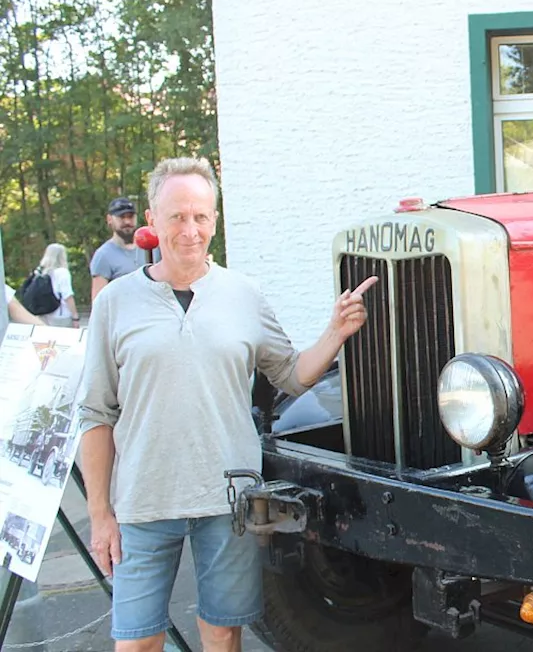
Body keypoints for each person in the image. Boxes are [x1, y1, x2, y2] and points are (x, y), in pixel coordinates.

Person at [75, 156, 379, 652]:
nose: (189, 229)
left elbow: (291, 375)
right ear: (152, 220)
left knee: (222, 634)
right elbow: (95, 414)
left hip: (229, 500)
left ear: (214, 220)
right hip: (143, 502)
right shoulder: (115, 303)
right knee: (136, 642)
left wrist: (335, 331)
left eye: (200, 216)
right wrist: (100, 514)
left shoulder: (245, 294)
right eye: (176, 216)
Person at [89, 196, 151, 301]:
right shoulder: (103, 255)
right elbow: (99, 302)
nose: (127, 221)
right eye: (121, 217)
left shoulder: (149, 249)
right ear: (109, 219)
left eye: (130, 216)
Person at [31, 243, 80, 327]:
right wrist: (75, 316)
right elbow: (67, 296)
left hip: (43, 313)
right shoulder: (62, 272)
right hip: (61, 315)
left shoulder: (40, 272)